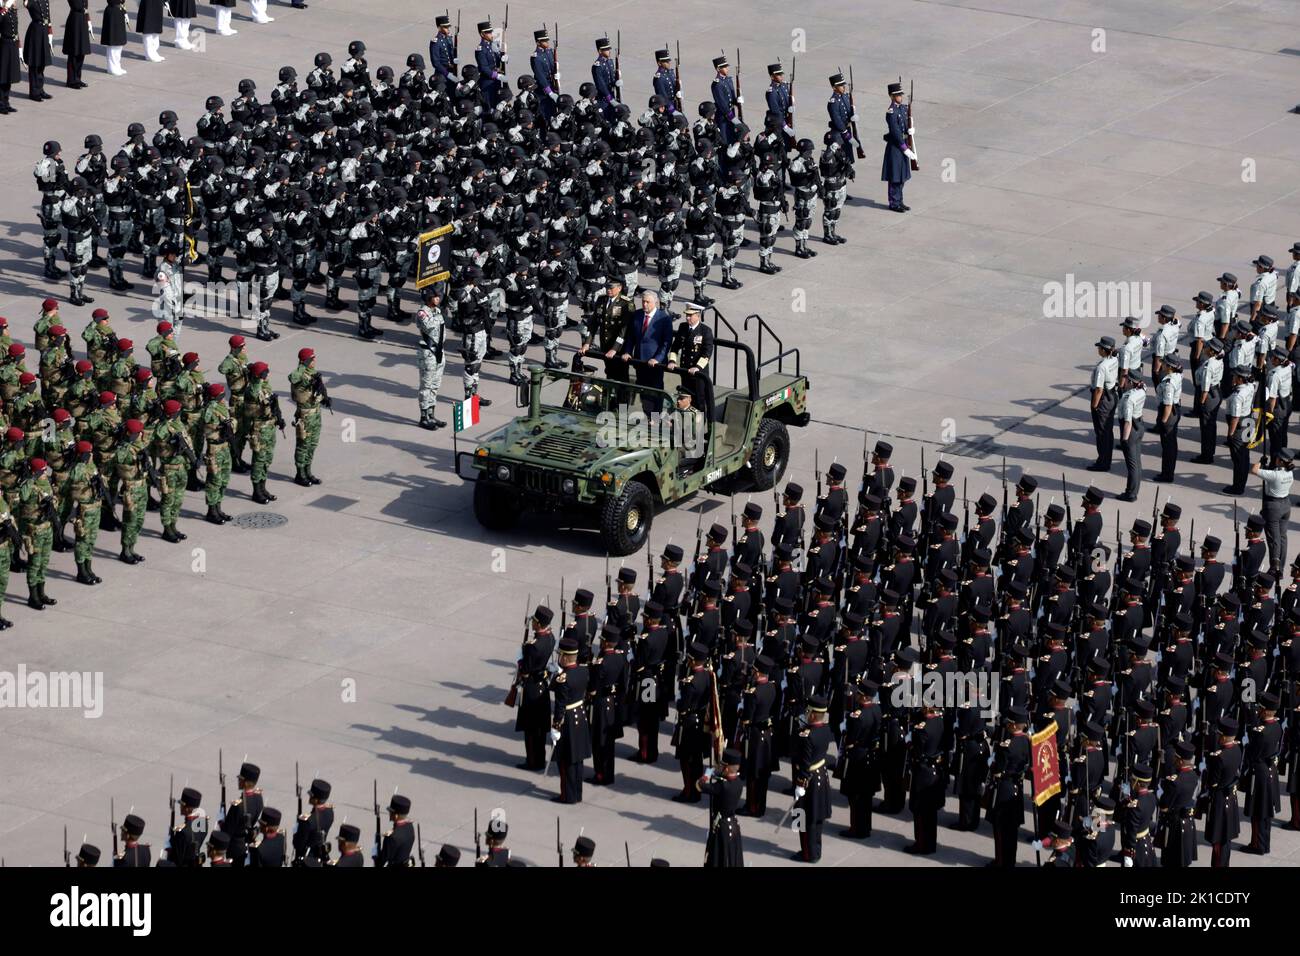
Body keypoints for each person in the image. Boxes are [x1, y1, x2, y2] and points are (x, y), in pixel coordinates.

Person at [288, 348, 328, 486]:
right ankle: (300, 474)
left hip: (315, 413)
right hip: (304, 415)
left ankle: (308, 471)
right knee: (303, 445)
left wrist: (324, 397)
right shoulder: (299, 374)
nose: (314, 361)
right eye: (311, 359)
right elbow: (292, 377)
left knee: (312, 444)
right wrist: (302, 365)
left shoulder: (313, 373)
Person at [699, 747, 745, 867]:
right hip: (733, 825)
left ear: (727, 767)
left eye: (723, 766)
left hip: (721, 827)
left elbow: (700, 786)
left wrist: (707, 774)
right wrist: (717, 772)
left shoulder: (722, 786)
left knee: (718, 860)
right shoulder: (739, 783)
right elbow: (726, 776)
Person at [622, 289, 671, 392]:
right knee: (642, 392)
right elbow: (631, 337)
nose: (644, 304)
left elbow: (666, 343)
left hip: (654, 364)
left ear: (655, 302)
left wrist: (657, 359)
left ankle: (655, 409)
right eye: (643, 301)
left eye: (647, 302)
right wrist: (627, 351)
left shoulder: (664, 318)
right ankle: (629, 408)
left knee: (654, 393)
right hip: (639, 361)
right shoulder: (637, 315)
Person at [415, 285, 447, 429]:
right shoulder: (422, 312)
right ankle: (423, 417)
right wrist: (438, 317)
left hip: (439, 351)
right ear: (428, 298)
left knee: (435, 385)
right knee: (426, 386)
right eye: (435, 296)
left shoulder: (437, 311)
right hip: (428, 353)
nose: (438, 298)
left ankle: (431, 414)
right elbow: (428, 326)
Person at [1088, 335, 1119, 471]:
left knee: (1101, 433)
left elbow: (1099, 389)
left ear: (1103, 349)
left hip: (1103, 399)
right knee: (1108, 431)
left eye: (1099, 347)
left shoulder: (1102, 367)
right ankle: (1106, 459)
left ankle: (1103, 462)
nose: (1098, 349)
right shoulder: (1114, 359)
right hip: (1112, 395)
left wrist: (1094, 406)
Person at [881, 81, 913, 212]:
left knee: (902, 175)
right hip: (896, 146)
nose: (901, 97)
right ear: (892, 96)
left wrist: (910, 130)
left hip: (904, 143)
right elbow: (895, 131)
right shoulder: (891, 112)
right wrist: (904, 147)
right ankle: (894, 202)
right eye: (898, 95)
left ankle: (899, 200)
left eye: (901, 94)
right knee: (895, 176)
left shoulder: (903, 108)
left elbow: (906, 124)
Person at [1116, 375, 1146, 502]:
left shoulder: (1129, 399)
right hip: (1139, 425)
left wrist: (1124, 439)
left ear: (1131, 382)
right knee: (1137, 462)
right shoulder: (1142, 390)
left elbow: (1127, 422)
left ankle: (1131, 493)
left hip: (1131, 429)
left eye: (1126, 380)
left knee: (1132, 464)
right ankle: (1134, 490)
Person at [1153, 353, 1183, 482]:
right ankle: (1168, 472)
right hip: (1174, 411)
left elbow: (1168, 404)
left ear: (1169, 366)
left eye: (1164, 363)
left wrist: (1163, 421)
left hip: (1169, 413)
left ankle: (1167, 474)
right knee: (1171, 444)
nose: (1162, 364)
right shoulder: (1176, 376)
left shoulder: (1169, 383)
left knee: (1168, 446)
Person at [20, 0, 52, 101]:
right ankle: (34, 92)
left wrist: (49, 31)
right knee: (34, 64)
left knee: (41, 63)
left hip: (43, 32)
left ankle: (40, 89)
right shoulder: (31, 1)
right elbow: (25, 4)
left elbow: (48, 16)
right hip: (35, 32)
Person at [61, 0, 90, 89]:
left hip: (82, 20)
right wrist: (84, 10)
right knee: (74, 52)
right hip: (75, 21)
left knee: (81, 52)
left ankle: (77, 78)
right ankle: (71, 80)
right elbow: (77, 5)